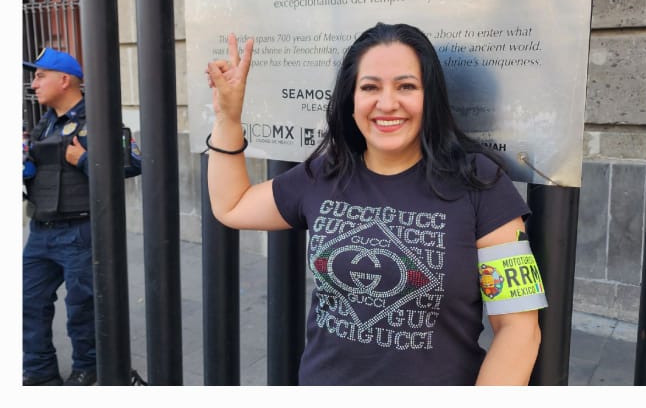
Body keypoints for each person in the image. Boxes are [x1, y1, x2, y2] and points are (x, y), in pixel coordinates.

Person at [204, 25, 541, 385]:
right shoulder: (327, 173)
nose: (387, 102)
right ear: (351, 99)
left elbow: (519, 328)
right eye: (370, 87)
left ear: (431, 97)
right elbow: (232, 205)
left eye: (406, 86)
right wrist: (228, 118)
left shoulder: (480, 182)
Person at [23, 48, 142, 386]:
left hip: (79, 231)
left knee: (82, 308)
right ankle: (39, 370)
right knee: (27, 301)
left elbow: (134, 163)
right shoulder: (44, 124)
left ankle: (86, 370)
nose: (34, 84)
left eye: (40, 75)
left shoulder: (99, 120)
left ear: (64, 80)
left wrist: (85, 160)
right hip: (40, 230)